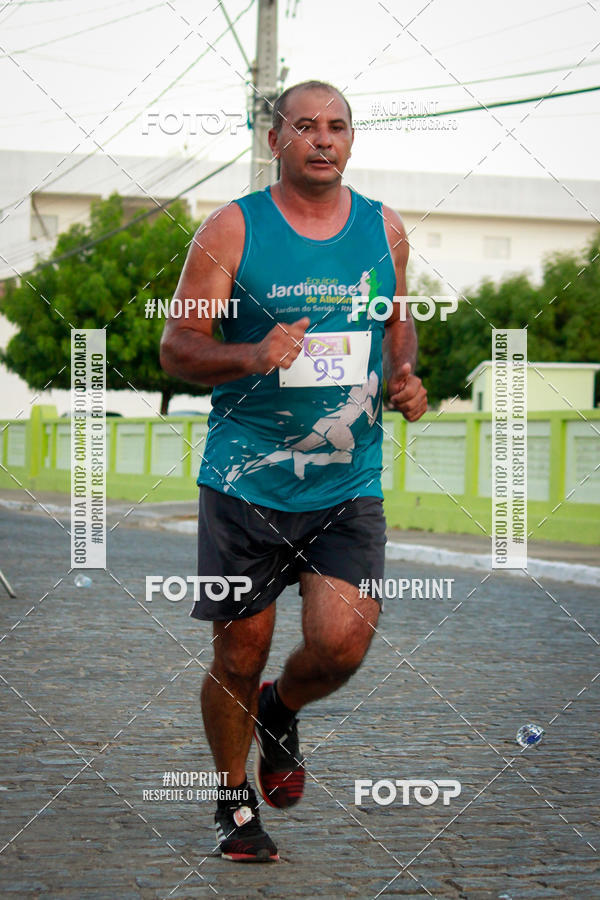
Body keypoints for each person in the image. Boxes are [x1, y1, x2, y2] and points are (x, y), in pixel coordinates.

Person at [160, 80, 427, 863]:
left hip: (348, 482)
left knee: (342, 645)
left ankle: (283, 708)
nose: (322, 138)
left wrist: (406, 374)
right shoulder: (231, 229)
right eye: (304, 126)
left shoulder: (385, 229)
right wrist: (252, 352)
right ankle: (234, 803)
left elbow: (398, 324)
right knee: (238, 651)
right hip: (246, 481)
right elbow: (177, 348)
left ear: (351, 140)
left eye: (336, 126)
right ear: (275, 139)